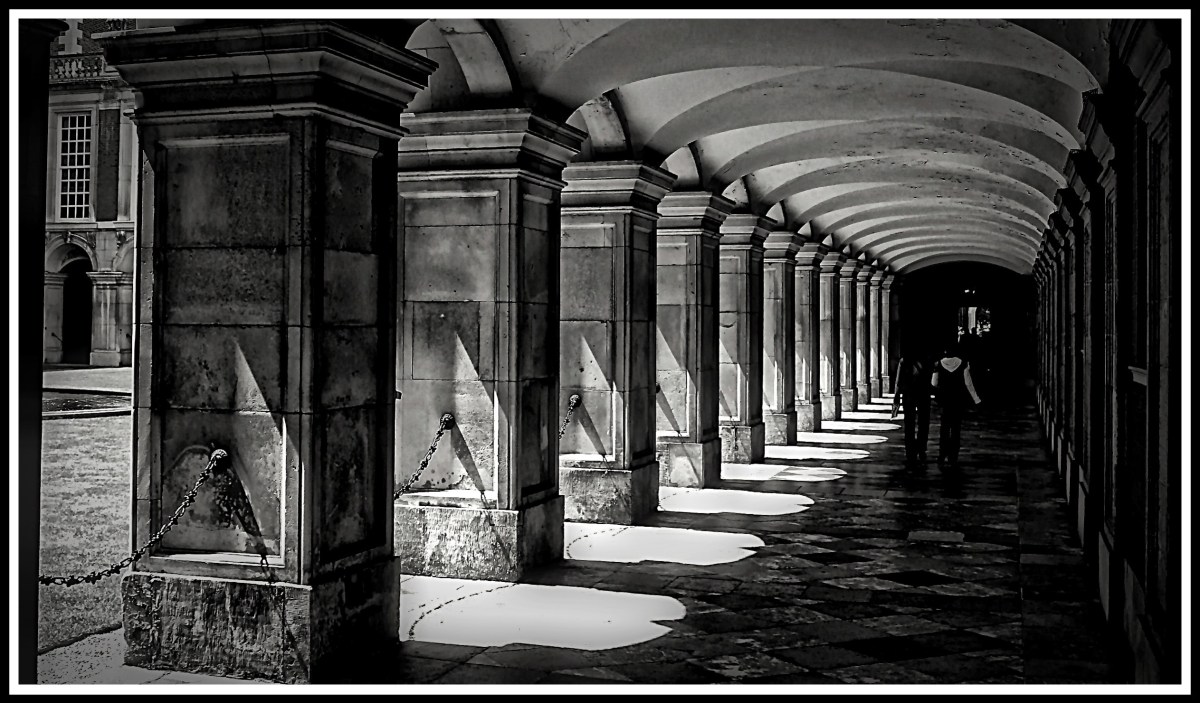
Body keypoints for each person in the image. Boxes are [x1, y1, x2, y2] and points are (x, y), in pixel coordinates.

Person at [931, 340, 983, 468]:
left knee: (944, 429)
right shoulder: (963, 364)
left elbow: (934, 383)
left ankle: (942, 455)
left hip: (945, 401)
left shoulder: (939, 364)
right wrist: (976, 399)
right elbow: (968, 383)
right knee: (956, 429)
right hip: (958, 400)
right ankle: (953, 456)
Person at [891, 348, 934, 467]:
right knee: (923, 423)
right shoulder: (928, 361)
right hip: (923, 395)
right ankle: (921, 449)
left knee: (909, 423)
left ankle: (910, 451)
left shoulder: (904, 361)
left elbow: (898, 382)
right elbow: (932, 380)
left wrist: (896, 396)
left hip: (908, 395)